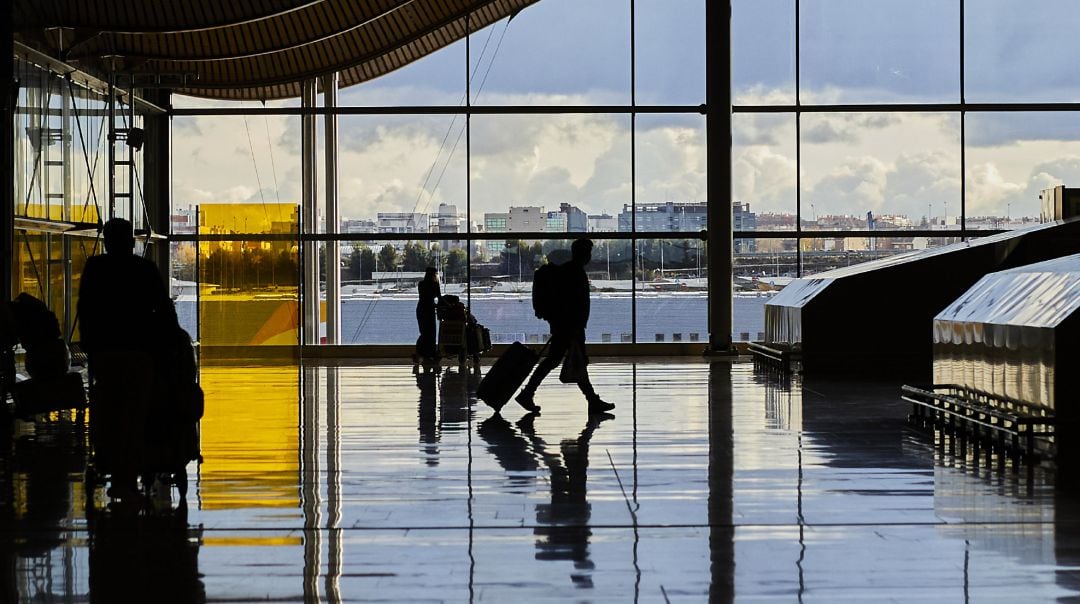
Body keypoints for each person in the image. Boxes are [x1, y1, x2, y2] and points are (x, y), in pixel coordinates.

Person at [78, 218, 175, 501]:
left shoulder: (96, 269)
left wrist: (90, 343)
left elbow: (86, 307)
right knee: (137, 409)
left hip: (106, 352)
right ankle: (133, 464)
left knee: (109, 407)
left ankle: (111, 458)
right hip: (140, 352)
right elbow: (162, 308)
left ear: (106, 242)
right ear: (132, 242)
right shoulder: (144, 270)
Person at [516, 238, 613, 415]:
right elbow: (574, 303)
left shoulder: (569, 271)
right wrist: (575, 326)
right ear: (583, 254)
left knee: (565, 361)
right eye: (588, 252)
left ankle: (529, 393)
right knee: (573, 361)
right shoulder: (574, 272)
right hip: (570, 327)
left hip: (565, 325)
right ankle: (529, 393)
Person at [414, 267, 442, 363]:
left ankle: (419, 353)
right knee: (431, 333)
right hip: (429, 311)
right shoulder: (435, 284)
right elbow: (439, 297)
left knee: (424, 333)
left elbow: (424, 298)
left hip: (421, 309)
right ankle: (430, 353)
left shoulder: (421, 284)